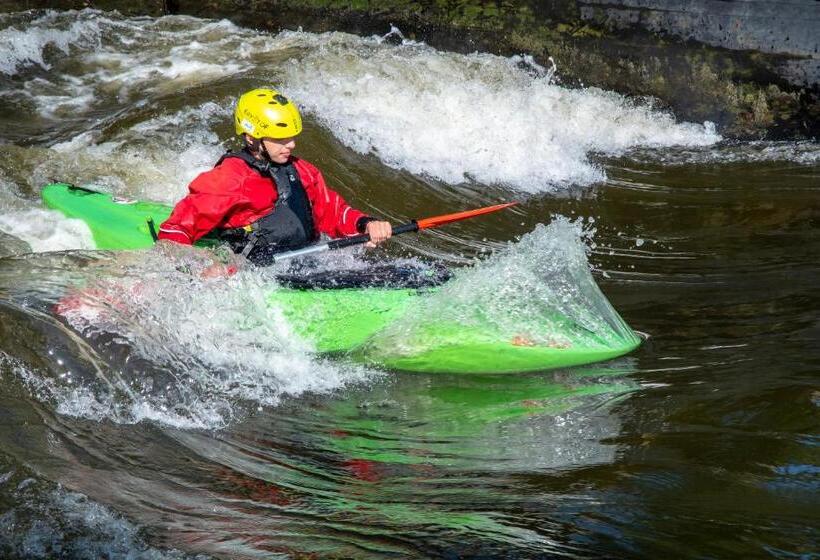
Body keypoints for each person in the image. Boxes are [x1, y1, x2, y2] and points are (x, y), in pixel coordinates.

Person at [157, 88, 392, 265]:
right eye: (280, 138)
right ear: (251, 137)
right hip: (255, 272)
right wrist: (205, 264)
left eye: (291, 136)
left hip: (302, 264)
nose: (291, 144)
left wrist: (365, 224)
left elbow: (332, 211)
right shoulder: (231, 178)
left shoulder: (301, 170)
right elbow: (175, 231)